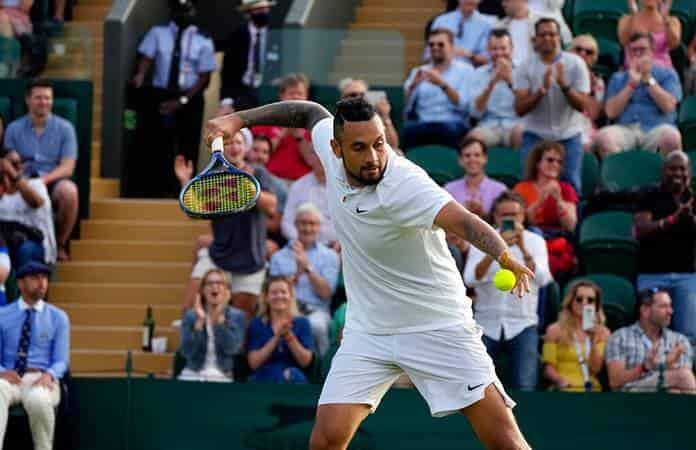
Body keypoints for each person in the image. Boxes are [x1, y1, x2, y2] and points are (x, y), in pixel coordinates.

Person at [206, 95, 535, 449]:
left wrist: (503, 254)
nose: (374, 157)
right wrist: (238, 119)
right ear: (335, 148)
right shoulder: (330, 153)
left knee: (504, 442)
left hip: (438, 324)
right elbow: (308, 111)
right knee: (326, 440)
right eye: (360, 148)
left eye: (379, 144)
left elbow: (466, 222)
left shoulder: (405, 183)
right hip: (370, 331)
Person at [179, 131, 277, 321]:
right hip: (218, 257)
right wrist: (185, 182)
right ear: (222, 149)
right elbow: (194, 213)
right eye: (229, 143)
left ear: (245, 147)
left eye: (238, 142)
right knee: (189, 311)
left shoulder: (258, 173)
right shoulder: (213, 177)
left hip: (250, 261)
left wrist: (247, 185)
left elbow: (272, 207)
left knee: (242, 321)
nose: (234, 147)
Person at [464, 190, 553, 391]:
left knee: (525, 386)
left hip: (523, 324)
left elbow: (544, 278)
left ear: (523, 216)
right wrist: (495, 250)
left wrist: (522, 248)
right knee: (478, 387)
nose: (511, 220)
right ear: (495, 216)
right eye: (506, 215)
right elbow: (470, 278)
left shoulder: (535, 241)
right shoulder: (481, 239)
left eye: (515, 215)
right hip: (486, 323)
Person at [132, 0, 216, 195]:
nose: (184, 14)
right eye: (180, 10)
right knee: (158, 143)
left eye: (187, 10)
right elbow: (146, 59)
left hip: (190, 97)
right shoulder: (157, 33)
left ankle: (187, 190)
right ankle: (158, 189)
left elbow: (205, 77)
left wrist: (182, 101)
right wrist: (140, 76)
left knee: (188, 143)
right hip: (161, 94)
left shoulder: (202, 39)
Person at [514, 17, 589, 194]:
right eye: (543, 34)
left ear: (559, 37)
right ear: (535, 39)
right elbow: (519, 108)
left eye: (552, 34)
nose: (548, 38)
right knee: (528, 184)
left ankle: (573, 221)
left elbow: (582, 105)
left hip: (568, 134)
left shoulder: (575, 63)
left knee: (571, 186)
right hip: (535, 134)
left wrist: (564, 85)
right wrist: (541, 91)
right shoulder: (526, 66)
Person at [0, 261, 70, 450]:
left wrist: (49, 375)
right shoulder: (2, 315)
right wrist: (1, 372)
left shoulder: (59, 317)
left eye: (45, 278)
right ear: (21, 284)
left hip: (41, 377)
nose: (42, 283)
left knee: (39, 399)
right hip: (10, 377)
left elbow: (61, 360)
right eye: (35, 278)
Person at [4, 80, 72, 260]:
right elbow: (8, 159)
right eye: (38, 98)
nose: (43, 102)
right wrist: (13, 161)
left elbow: (67, 167)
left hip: (52, 180)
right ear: (28, 100)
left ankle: (61, 244)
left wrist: (45, 180)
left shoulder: (65, 128)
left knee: (69, 191)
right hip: (22, 180)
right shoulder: (13, 128)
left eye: (48, 98)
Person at [633, 151, 696, 348]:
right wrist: (672, 220)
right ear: (663, 171)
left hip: (686, 276)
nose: (678, 173)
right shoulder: (649, 196)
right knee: (650, 334)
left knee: (689, 336)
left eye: (682, 168)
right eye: (673, 168)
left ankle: (685, 377)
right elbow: (640, 229)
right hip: (652, 275)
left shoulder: (693, 199)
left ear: (690, 172)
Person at [595, 32, 682, 158]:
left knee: (672, 137)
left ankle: (664, 177)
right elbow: (610, 112)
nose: (637, 54)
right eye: (633, 50)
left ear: (652, 52)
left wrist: (648, 79)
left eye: (642, 50)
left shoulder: (667, 74)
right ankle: (621, 175)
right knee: (604, 138)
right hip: (625, 128)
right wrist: (631, 85)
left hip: (656, 128)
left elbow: (668, 106)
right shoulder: (618, 78)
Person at [270, 203, 340, 357]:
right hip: (285, 311)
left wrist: (307, 267)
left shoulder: (330, 257)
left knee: (316, 326)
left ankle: (320, 373)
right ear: (295, 225)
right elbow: (274, 291)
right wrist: (297, 273)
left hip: (316, 311)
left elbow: (326, 293)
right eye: (303, 223)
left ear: (319, 226)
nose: (307, 228)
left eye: (312, 224)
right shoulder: (279, 257)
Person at [606, 288, 695, 393]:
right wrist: (644, 367)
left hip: (666, 397)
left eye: (670, 306)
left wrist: (666, 365)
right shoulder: (620, 337)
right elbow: (615, 382)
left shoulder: (679, 341)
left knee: (674, 390)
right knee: (682, 375)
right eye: (664, 306)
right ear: (645, 311)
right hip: (631, 399)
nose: (671, 311)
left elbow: (684, 385)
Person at [404, 28, 474, 149]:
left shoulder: (466, 71)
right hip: (424, 122)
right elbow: (406, 108)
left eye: (440, 44)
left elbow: (465, 107)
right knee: (407, 130)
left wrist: (442, 84)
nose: (435, 47)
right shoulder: (419, 71)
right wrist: (412, 86)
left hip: (452, 122)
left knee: (448, 130)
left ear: (451, 47)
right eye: (431, 45)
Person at [178, 269, 246, 383]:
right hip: (193, 374)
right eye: (209, 283)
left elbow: (232, 348)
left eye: (220, 283)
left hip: (222, 375)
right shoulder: (191, 315)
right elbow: (186, 351)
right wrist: (199, 323)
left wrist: (220, 321)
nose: (215, 286)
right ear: (203, 290)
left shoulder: (236, 316)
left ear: (226, 290)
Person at [542, 280, 611, 392]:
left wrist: (593, 339)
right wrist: (560, 381)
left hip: (591, 390)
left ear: (596, 305)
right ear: (571, 302)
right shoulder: (555, 330)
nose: (584, 303)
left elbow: (595, 369)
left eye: (590, 300)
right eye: (579, 299)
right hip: (564, 389)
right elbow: (548, 368)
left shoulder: (603, 332)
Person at [247, 276, 314, 384]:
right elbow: (253, 363)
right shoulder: (257, 323)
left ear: (291, 296)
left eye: (283, 292)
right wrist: (276, 338)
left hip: (294, 380)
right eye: (274, 293)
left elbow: (305, 361)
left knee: (293, 374)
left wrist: (289, 337)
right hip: (263, 379)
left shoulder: (302, 323)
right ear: (266, 297)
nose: (279, 296)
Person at [467, 28, 523, 149]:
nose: (499, 53)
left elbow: (527, 106)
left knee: (522, 133)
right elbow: (475, 113)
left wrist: (510, 82)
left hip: (515, 124)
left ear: (511, 49)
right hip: (489, 125)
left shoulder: (523, 70)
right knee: (473, 138)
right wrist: (491, 83)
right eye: (494, 49)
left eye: (503, 48)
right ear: (488, 50)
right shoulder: (479, 73)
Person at [252, 73, 314, 182]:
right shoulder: (265, 120)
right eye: (291, 93)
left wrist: (300, 138)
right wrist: (282, 134)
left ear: (306, 96)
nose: (296, 97)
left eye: (300, 93)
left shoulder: (314, 124)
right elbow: (255, 157)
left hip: (302, 182)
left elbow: (312, 161)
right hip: (270, 181)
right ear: (282, 96)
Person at [0, 151, 56, 266]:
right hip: (8, 240)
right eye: (14, 164)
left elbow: (36, 202)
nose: (20, 167)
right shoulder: (2, 193)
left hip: (36, 241)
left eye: (21, 163)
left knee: (23, 250)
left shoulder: (35, 184)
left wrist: (12, 173)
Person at [219, 0, 276, 111]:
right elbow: (228, 71)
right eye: (259, 9)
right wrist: (226, 100)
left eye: (266, 8)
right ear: (249, 12)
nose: (264, 12)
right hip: (242, 92)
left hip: (268, 93)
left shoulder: (276, 34)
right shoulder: (236, 36)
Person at [514, 141, 578, 234]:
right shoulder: (522, 188)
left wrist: (559, 201)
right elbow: (523, 221)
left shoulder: (567, 189)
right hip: (530, 235)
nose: (555, 164)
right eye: (550, 160)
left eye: (559, 162)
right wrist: (539, 202)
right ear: (537, 163)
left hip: (556, 238)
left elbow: (570, 226)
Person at [280, 148, 337, 249]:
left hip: (335, 248)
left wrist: (341, 242)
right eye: (318, 155)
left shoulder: (343, 187)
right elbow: (287, 223)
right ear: (311, 158)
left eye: (325, 155)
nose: (321, 159)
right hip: (301, 246)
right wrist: (302, 242)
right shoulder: (298, 186)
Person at [444, 137, 507, 217]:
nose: (472, 159)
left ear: (485, 158)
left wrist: (484, 214)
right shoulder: (449, 189)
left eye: (477, 155)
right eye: (467, 156)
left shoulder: (500, 190)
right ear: (460, 160)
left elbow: (502, 220)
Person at [338, 78, 400, 150]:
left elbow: (393, 145)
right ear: (342, 98)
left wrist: (385, 116)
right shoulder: (336, 120)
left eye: (362, 95)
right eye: (353, 95)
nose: (359, 98)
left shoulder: (374, 117)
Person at [569, 34, 605, 152]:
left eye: (589, 52)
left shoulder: (597, 82)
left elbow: (594, 114)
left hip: (584, 127)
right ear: (569, 51)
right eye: (578, 49)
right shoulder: (556, 73)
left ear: (594, 59)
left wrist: (590, 88)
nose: (583, 54)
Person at [619, 0, 681, 69]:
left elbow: (674, 44)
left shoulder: (672, 21)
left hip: (661, 69)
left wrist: (665, 19)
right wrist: (633, 16)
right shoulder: (626, 20)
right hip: (633, 69)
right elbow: (624, 41)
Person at [429, 0, 491, 67]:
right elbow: (428, 56)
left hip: (475, 72)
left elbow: (490, 60)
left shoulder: (488, 24)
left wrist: (470, 56)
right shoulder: (441, 21)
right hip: (443, 71)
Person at [497, 0, 541, 66]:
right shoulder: (499, 27)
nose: (503, 4)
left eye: (507, 0)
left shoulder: (542, 24)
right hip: (509, 73)